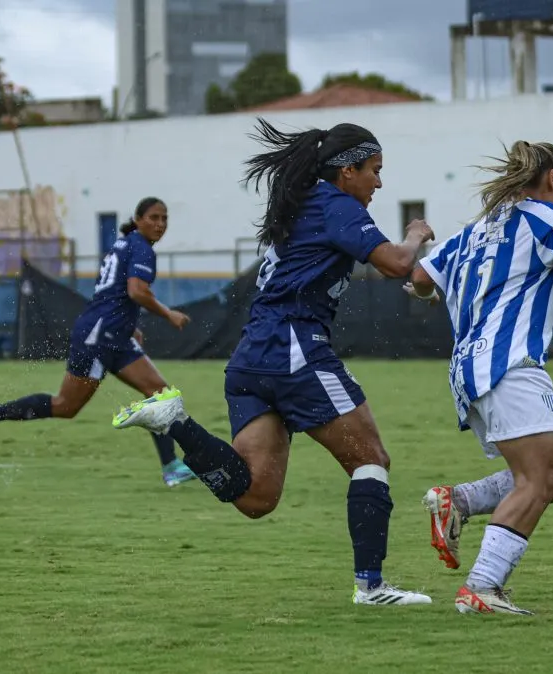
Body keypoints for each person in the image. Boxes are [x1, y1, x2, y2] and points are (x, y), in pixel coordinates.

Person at [112, 118, 435, 606]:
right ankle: (371, 587)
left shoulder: (304, 205)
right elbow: (394, 262)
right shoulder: (335, 203)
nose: (379, 182)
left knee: (256, 498)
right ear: (347, 171)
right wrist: (416, 235)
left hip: (251, 359)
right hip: (294, 348)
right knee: (371, 459)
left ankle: (175, 421)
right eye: (374, 169)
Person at [404, 140, 553, 615]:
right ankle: (482, 588)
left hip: (468, 370)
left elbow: (421, 280)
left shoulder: (474, 230)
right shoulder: (550, 219)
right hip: (511, 364)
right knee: (537, 481)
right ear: (552, 178)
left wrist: (436, 288)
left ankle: (459, 501)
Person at [0, 197, 198, 488]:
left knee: (161, 394)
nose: (160, 224)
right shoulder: (141, 249)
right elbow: (136, 291)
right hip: (98, 338)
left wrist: (130, 325)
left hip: (116, 335)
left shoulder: (126, 244)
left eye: (164, 218)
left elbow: (112, 292)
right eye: (154, 217)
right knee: (66, 406)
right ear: (138, 219)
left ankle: (171, 466)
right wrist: (169, 315)